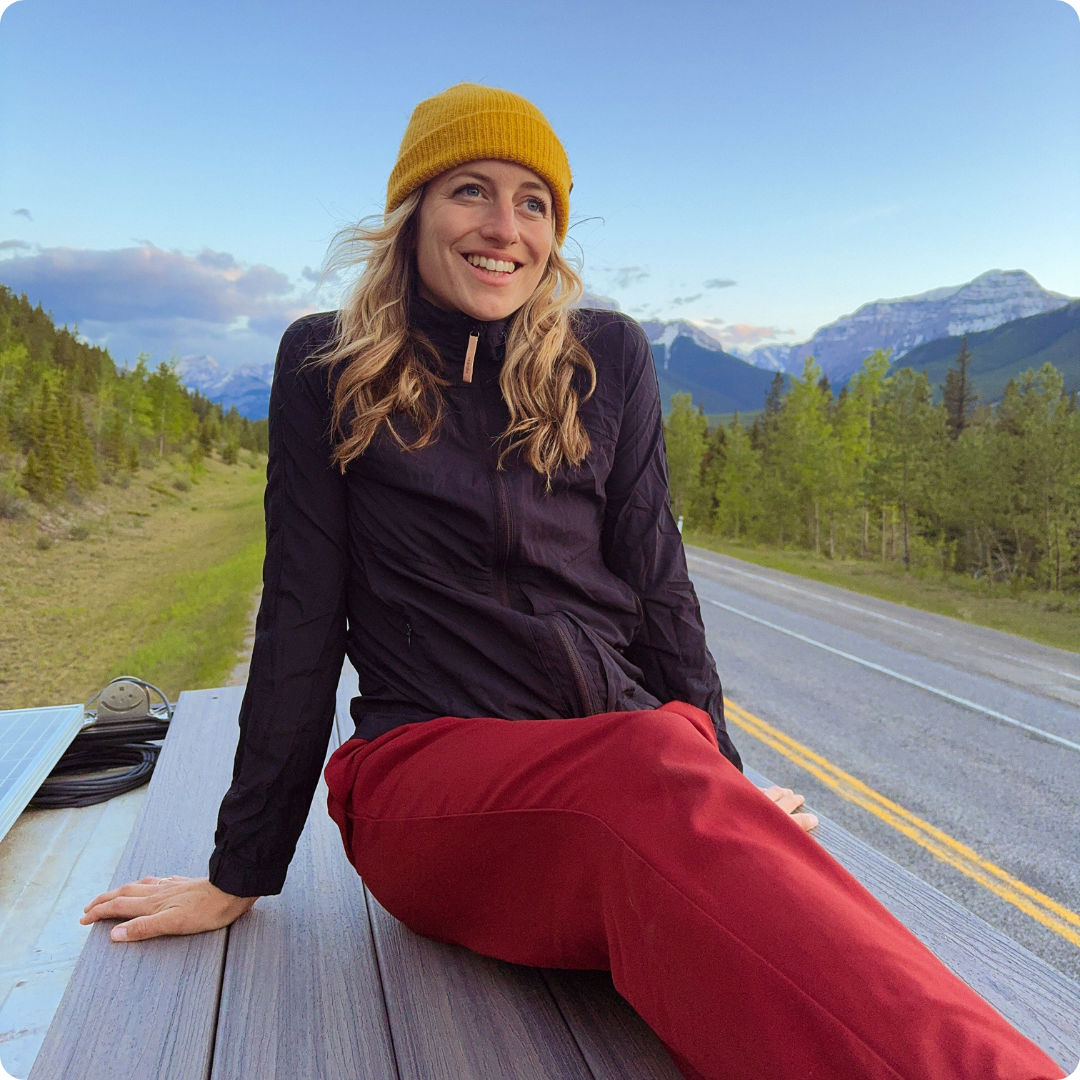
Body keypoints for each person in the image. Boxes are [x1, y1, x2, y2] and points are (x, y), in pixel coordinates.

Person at [82, 84, 1069, 1080]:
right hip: (428, 781)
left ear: (555, 231)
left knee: (698, 831)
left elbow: (659, 586)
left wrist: (720, 782)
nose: (504, 228)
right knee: (645, 767)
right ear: (414, 208)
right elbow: (299, 614)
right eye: (471, 190)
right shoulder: (326, 366)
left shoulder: (609, 360)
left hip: (627, 761)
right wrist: (240, 869)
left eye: (535, 203)